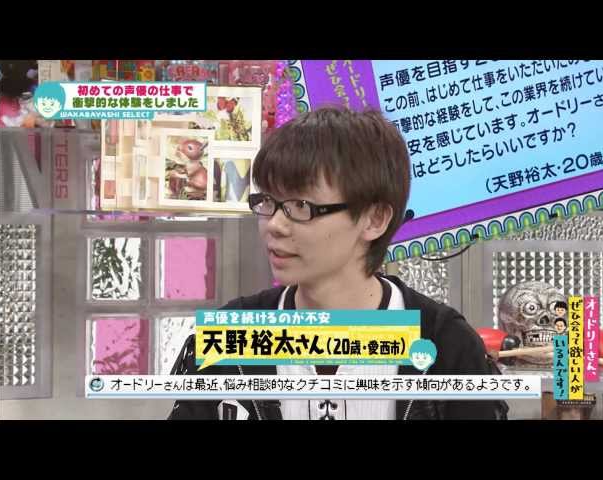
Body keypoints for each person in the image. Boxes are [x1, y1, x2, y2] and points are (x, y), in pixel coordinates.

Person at [168, 106, 508, 420]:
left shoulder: (445, 344)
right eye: (267, 201)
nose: (274, 225)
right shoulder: (229, 336)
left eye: (301, 206)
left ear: (374, 219)